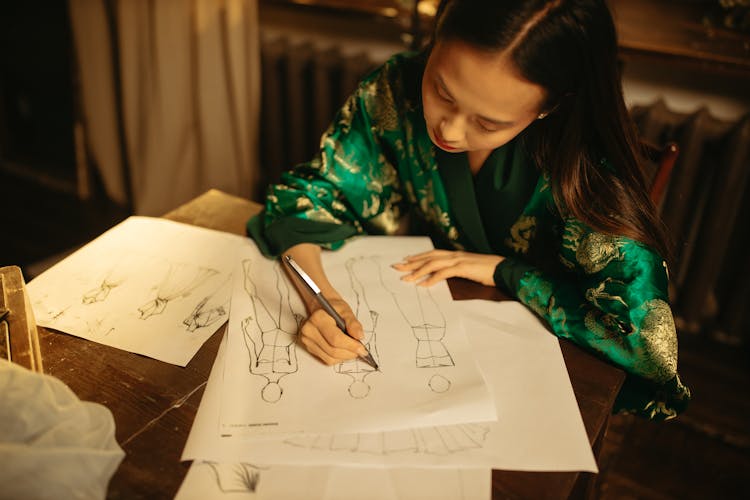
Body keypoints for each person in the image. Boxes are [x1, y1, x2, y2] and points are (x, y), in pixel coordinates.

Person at [247, 0, 690, 420]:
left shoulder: (585, 164)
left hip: (534, 369)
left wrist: (506, 271)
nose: (449, 130)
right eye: (442, 90)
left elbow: (645, 342)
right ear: (437, 33)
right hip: (431, 312)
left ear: (550, 107)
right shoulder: (396, 88)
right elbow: (309, 197)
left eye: (488, 123)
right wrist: (320, 300)